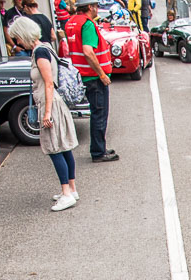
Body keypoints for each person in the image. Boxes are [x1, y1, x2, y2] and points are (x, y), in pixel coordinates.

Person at [11, 17, 80, 211]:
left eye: (17, 38)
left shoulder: (39, 52)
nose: (17, 42)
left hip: (50, 104)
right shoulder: (46, 47)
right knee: (64, 148)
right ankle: (71, 189)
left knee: (54, 148)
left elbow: (48, 83)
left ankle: (67, 194)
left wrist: (47, 113)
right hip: (55, 103)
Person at [66, 0, 118, 162]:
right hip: (94, 77)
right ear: (90, 7)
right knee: (99, 114)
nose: (98, 9)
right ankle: (98, 152)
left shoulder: (72, 22)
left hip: (82, 74)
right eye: (96, 6)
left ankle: (99, 148)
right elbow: (88, 51)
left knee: (97, 113)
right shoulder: (87, 24)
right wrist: (102, 74)